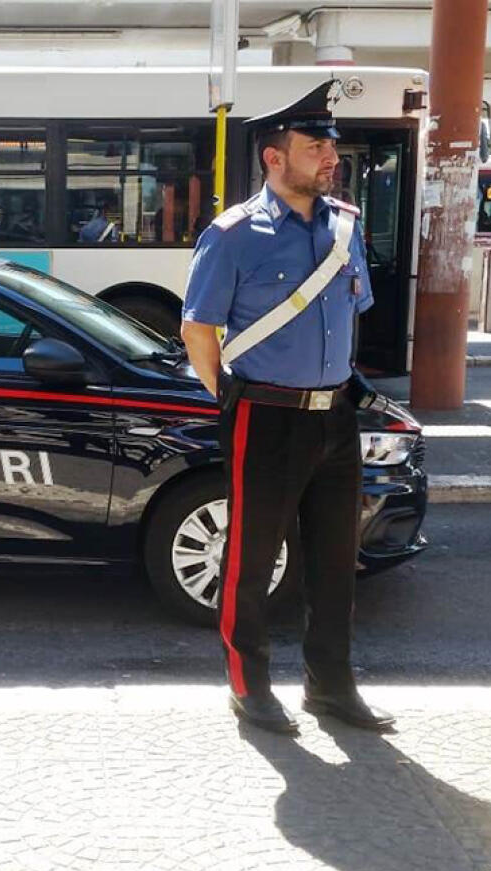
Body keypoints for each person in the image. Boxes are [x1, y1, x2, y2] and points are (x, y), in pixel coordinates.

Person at [180, 80, 395, 735]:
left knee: (335, 561)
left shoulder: (344, 226)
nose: (330, 156)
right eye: (314, 146)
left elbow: (351, 315)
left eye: (331, 145)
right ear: (274, 158)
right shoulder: (233, 235)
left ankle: (331, 688)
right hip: (265, 415)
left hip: (335, 415)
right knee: (251, 561)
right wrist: (228, 396)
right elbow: (197, 329)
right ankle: (249, 686)